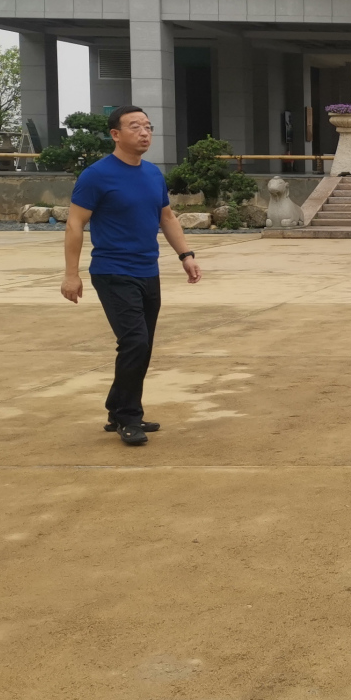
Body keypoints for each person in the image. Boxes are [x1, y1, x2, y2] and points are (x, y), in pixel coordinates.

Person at [61, 105, 203, 446]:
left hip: (147, 270)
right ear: (115, 134)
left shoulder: (153, 174)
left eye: (148, 127)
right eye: (135, 127)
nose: (144, 133)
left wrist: (185, 255)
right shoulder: (96, 175)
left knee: (141, 345)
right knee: (135, 342)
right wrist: (71, 274)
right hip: (112, 271)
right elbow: (75, 223)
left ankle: (117, 406)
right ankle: (128, 417)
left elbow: (166, 217)